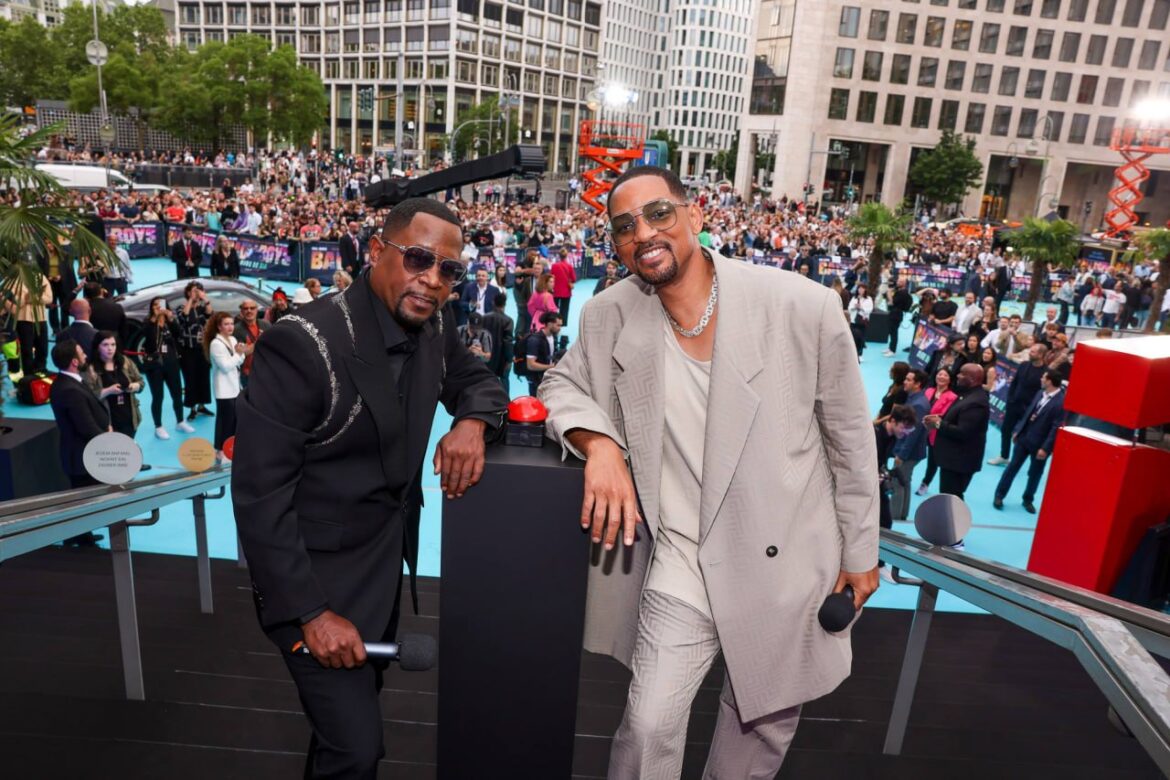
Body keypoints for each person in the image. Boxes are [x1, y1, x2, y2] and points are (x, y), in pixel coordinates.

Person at [538, 167, 878, 778]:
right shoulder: (610, 314)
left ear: (695, 216)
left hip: (786, 562)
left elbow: (851, 442)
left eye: (659, 213)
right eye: (624, 226)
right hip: (682, 560)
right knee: (648, 725)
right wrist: (602, 445)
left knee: (759, 734)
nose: (644, 232)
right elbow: (561, 382)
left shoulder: (802, 307)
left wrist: (861, 554)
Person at [233, 198, 509, 778]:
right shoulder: (302, 343)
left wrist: (471, 424)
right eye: (418, 259)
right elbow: (260, 495)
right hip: (314, 584)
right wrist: (311, 613)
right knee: (357, 749)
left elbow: (477, 380)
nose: (432, 281)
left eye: (448, 271)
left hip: (382, 573)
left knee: (338, 738)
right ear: (378, 252)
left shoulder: (433, 324)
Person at [48, 338, 109, 546]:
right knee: (84, 500)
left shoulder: (69, 382)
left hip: (81, 454)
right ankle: (79, 539)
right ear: (74, 361)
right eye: (81, 352)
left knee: (82, 499)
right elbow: (86, 427)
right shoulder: (69, 389)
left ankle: (82, 536)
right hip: (82, 456)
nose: (85, 355)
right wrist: (110, 441)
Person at [994, 369, 1065, 514]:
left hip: (1040, 445)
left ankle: (1028, 499)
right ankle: (999, 495)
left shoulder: (1061, 402)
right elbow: (1028, 413)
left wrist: (1046, 448)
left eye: (1043, 377)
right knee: (1012, 468)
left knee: (1035, 474)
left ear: (1050, 381)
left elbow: (1055, 428)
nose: (1041, 379)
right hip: (1024, 438)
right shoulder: (1040, 393)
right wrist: (1018, 431)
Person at [923, 363, 991, 510]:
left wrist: (939, 424)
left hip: (959, 462)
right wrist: (939, 418)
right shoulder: (966, 394)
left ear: (972, 379)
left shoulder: (977, 402)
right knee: (948, 498)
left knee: (952, 499)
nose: (958, 376)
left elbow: (963, 431)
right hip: (952, 459)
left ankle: (953, 529)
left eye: (961, 374)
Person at [141, 296, 192, 439]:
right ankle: (158, 426)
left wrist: (171, 319)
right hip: (155, 365)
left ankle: (180, 421)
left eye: (161, 305)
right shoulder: (148, 322)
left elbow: (179, 335)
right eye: (155, 305)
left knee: (177, 394)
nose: (158, 307)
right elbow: (150, 342)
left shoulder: (169, 322)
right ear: (151, 308)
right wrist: (154, 319)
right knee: (158, 396)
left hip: (171, 363)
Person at [988, 342, 1047, 466]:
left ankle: (1018, 460)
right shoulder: (1024, 365)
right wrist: (1010, 400)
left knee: (1024, 436)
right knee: (1005, 430)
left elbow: (1043, 393)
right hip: (1014, 405)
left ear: (1041, 355)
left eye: (1033, 352)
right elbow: (1014, 383)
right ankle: (1004, 456)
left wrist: (1035, 410)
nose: (1030, 353)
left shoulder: (1046, 372)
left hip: (1029, 410)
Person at [85, 331, 144, 440]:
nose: (110, 348)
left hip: (129, 418)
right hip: (107, 421)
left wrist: (133, 387)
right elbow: (88, 396)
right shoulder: (91, 369)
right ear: (97, 347)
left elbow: (141, 382)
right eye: (105, 345)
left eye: (113, 344)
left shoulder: (125, 362)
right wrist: (109, 390)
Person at [205, 311, 246, 464]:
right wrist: (238, 354)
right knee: (225, 422)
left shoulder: (233, 339)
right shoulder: (216, 344)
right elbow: (225, 366)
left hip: (235, 387)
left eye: (231, 323)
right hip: (223, 390)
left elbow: (239, 361)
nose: (230, 327)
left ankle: (229, 449)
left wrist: (240, 354)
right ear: (219, 327)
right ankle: (220, 451)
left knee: (233, 421)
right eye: (226, 324)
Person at [891, 369, 931, 522]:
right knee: (904, 481)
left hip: (909, 452)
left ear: (917, 384)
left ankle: (894, 516)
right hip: (911, 451)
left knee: (897, 482)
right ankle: (901, 514)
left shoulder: (919, 404)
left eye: (908, 380)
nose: (904, 382)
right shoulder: (915, 399)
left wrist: (901, 454)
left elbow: (913, 432)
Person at [914, 368, 960, 497]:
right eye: (940, 374)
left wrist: (930, 418)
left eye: (945, 375)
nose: (941, 377)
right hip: (921, 429)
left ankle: (925, 483)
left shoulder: (952, 396)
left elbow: (946, 414)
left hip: (936, 432)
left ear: (950, 379)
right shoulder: (928, 391)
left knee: (933, 461)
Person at [875, 403, 919, 532]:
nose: (905, 433)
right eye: (903, 428)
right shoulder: (874, 435)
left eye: (908, 430)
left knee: (885, 521)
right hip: (864, 482)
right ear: (893, 421)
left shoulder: (893, 436)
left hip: (876, 480)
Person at [176, 280, 215, 422]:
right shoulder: (181, 307)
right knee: (190, 378)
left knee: (204, 377)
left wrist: (205, 299)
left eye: (199, 290)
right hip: (187, 349)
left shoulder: (203, 308)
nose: (196, 293)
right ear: (187, 292)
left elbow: (210, 316)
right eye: (193, 290)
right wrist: (191, 300)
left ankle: (202, 405)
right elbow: (184, 317)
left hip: (202, 348)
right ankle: (192, 407)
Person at [7, 270, 52, 376]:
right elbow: (16, 303)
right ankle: (28, 376)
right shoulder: (12, 280)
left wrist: (31, 297)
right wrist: (28, 298)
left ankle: (41, 371)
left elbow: (49, 298)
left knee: (43, 349)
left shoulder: (41, 277)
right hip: (23, 320)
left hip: (40, 319)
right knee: (26, 351)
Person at [481, 290, 514, 390]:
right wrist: (509, 359)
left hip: (486, 356)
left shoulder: (483, 318)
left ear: (493, 302)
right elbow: (508, 342)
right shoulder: (508, 320)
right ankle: (505, 403)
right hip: (502, 358)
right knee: (504, 380)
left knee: (485, 381)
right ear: (505, 304)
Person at [233, 299, 270, 389]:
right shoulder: (236, 330)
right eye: (245, 308)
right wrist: (259, 341)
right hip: (247, 374)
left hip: (266, 372)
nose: (249, 311)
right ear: (241, 311)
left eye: (252, 308)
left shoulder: (266, 325)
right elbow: (241, 353)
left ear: (257, 310)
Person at [525, 310, 561, 397]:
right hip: (536, 381)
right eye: (558, 325)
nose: (560, 328)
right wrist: (551, 367)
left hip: (548, 379)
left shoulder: (553, 338)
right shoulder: (534, 340)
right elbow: (530, 365)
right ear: (549, 324)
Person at [883, 276, 913, 356]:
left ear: (903, 283)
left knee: (894, 332)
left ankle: (892, 350)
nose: (897, 282)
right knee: (891, 330)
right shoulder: (899, 291)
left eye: (899, 281)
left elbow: (892, 302)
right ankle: (890, 348)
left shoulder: (902, 293)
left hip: (896, 314)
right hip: (893, 312)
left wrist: (889, 293)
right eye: (898, 281)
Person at [846, 281, 874, 361]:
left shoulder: (869, 299)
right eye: (859, 289)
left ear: (865, 290)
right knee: (852, 337)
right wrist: (854, 307)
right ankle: (852, 354)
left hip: (862, 322)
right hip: (853, 321)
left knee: (861, 338)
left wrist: (861, 307)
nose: (860, 290)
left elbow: (869, 310)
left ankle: (860, 354)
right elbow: (849, 308)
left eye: (862, 289)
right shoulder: (854, 298)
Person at [550, 248, 577, 325]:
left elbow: (551, 277)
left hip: (555, 291)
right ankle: (562, 323)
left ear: (559, 256)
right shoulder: (569, 266)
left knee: (553, 309)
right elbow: (574, 279)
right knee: (564, 309)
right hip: (566, 291)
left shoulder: (554, 266)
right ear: (566, 256)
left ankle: (553, 322)